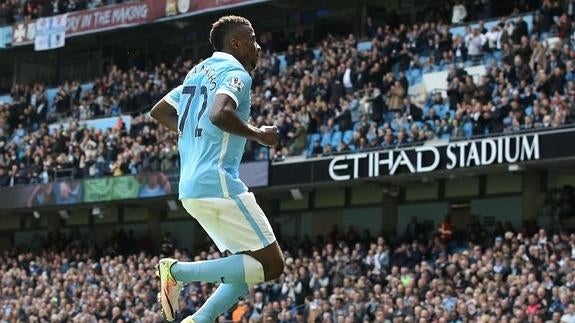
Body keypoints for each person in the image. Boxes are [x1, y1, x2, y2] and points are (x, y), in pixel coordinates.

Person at [149, 15, 285, 323]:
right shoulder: (236, 73)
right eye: (252, 39)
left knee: (246, 263)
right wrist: (259, 135)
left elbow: (159, 111)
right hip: (219, 184)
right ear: (236, 43)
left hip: (190, 189)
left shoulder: (196, 72)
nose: (258, 46)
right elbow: (219, 113)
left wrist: (191, 133)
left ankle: (199, 320)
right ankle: (177, 272)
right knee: (272, 265)